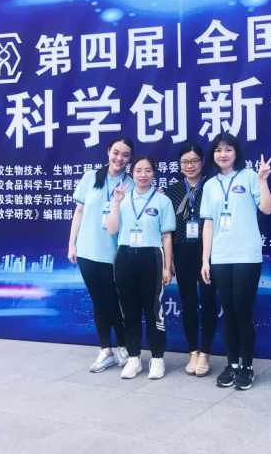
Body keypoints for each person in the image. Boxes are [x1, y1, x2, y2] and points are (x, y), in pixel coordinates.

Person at [200, 132, 271, 390]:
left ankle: (247, 366)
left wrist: (263, 181)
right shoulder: (210, 185)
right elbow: (208, 224)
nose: (223, 154)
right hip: (221, 257)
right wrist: (206, 260)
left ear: (236, 152)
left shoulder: (250, 176)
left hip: (246, 256)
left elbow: (266, 208)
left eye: (228, 149)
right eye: (218, 150)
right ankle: (231, 365)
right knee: (228, 313)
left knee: (242, 311)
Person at [67, 137, 134, 373]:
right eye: (116, 152)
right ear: (108, 152)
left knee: (114, 301)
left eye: (125, 155)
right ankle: (105, 350)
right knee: (98, 301)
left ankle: (123, 347)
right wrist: (72, 244)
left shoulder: (131, 184)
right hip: (87, 250)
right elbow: (79, 211)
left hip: (113, 253)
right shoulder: (90, 177)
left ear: (130, 158)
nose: (119, 158)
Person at [107, 156, 176, 380]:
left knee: (154, 309)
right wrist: (116, 202)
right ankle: (134, 358)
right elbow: (111, 229)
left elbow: (166, 236)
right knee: (129, 310)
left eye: (147, 170)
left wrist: (167, 266)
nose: (143, 175)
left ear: (154, 173)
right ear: (132, 173)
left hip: (151, 256)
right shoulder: (122, 198)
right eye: (138, 170)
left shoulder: (162, 200)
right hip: (125, 256)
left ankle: (157, 358)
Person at [166, 142, 217, 377]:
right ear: (179, 164)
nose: (190, 166)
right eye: (185, 162)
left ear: (203, 162)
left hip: (208, 251)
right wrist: (169, 260)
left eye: (194, 161)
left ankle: (205, 352)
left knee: (208, 300)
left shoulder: (213, 186)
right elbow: (167, 228)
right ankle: (193, 351)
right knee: (187, 302)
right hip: (183, 250)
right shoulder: (174, 190)